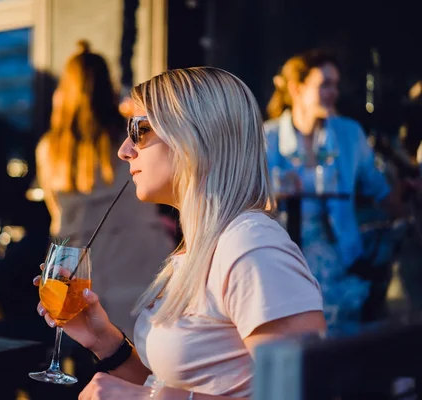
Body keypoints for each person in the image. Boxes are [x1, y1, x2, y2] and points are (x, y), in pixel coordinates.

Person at [34, 67, 326, 398]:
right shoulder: (199, 250)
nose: (125, 150)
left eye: (139, 130)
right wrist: (104, 339)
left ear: (194, 138)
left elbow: (303, 392)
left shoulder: (251, 245)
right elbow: (173, 386)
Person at [34, 41, 172, 337]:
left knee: (88, 346)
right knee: (145, 358)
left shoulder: (50, 149)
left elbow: (54, 212)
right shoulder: (130, 136)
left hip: (77, 267)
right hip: (139, 259)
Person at [264, 49, 404, 330]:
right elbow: (250, 202)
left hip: (342, 258)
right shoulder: (268, 137)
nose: (332, 93)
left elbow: (379, 189)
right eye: (324, 84)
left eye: (335, 85)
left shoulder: (348, 133)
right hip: (285, 259)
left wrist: (404, 210)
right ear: (296, 88)